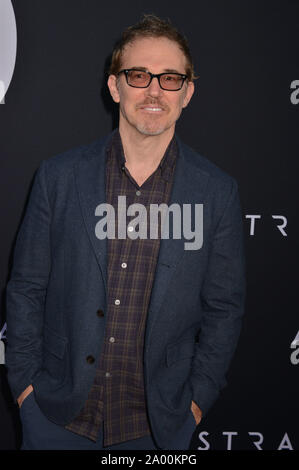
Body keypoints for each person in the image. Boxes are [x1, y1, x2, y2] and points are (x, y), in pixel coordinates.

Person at [5, 14, 246, 450]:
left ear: (188, 92)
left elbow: (224, 309)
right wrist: (25, 389)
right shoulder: (59, 178)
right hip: (56, 418)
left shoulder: (217, 192)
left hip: (157, 428)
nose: (154, 90)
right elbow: (26, 288)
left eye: (170, 78)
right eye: (139, 75)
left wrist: (196, 401)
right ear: (115, 86)